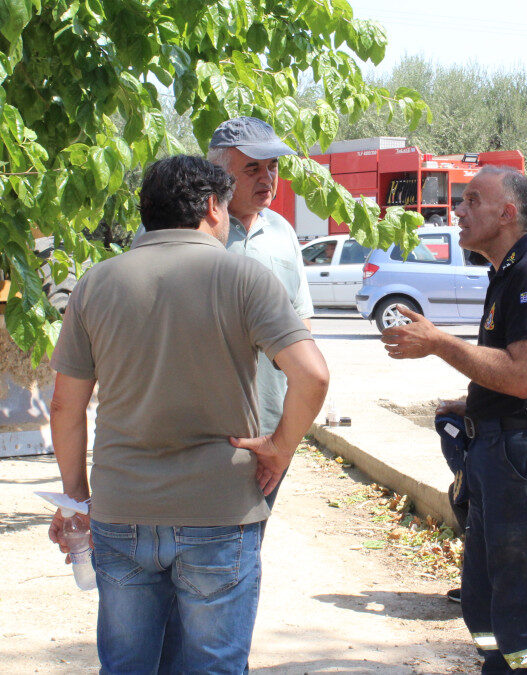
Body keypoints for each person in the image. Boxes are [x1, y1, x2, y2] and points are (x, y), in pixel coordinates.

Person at [46, 155, 329, 672]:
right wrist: (279, 448)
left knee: (126, 664)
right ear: (211, 207)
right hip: (219, 508)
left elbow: (66, 404)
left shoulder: (96, 283)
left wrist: (76, 499)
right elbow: (313, 375)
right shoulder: (245, 277)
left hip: (121, 507)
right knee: (213, 664)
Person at [383, 165, 527, 673]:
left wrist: (439, 342)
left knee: (525, 610)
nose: (458, 210)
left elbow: (521, 376)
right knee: (487, 601)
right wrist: (473, 404)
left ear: (508, 213)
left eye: (473, 200)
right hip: (503, 449)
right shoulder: (510, 273)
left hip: (523, 456)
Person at [207, 116, 315, 508]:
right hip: (205, 430)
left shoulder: (283, 232)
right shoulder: (190, 229)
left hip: (270, 428)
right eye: (252, 168)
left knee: (253, 535)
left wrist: (286, 436)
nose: (267, 178)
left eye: (272, 167)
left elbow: (301, 325)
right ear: (219, 175)